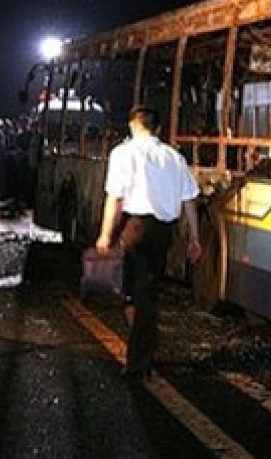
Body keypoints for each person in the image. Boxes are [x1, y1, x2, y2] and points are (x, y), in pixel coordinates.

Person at [96, 105, 202, 381]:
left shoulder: (122, 153)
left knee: (138, 295)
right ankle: (141, 350)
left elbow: (115, 199)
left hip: (135, 228)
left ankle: (138, 361)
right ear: (157, 128)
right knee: (146, 291)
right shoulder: (174, 157)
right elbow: (189, 199)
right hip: (163, 232)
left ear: (133, 125)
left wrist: (106, 234)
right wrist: (195, 237)